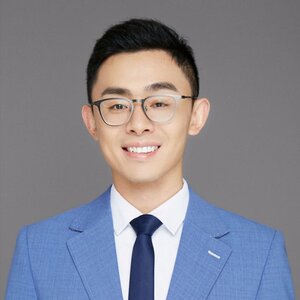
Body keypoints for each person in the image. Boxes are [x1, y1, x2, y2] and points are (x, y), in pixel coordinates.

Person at [5, 18, 295, 300]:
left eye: (159, 103)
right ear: (91, 121)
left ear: (197, 116)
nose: (138, 124)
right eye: (117, 105)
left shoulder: (258, 253)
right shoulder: (39, 250)